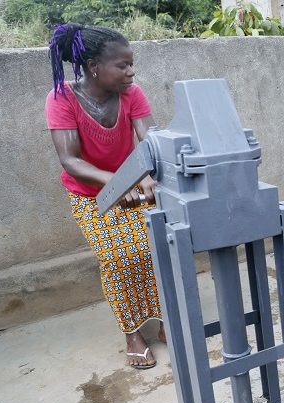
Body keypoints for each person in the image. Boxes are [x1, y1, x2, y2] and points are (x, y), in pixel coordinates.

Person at [45, 23, 165, 369]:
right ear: (94, 66)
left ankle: (164, 321)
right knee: (118, 257)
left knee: (155, 247)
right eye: (122, 65)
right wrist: (124, 181)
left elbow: (150, 140)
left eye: (131, 64)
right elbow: (70, 160)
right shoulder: (61, 98)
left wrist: (155, 172)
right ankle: (132, 332)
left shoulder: (132, 94)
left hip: (132, 186)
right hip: (90, 197)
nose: (131, 72)